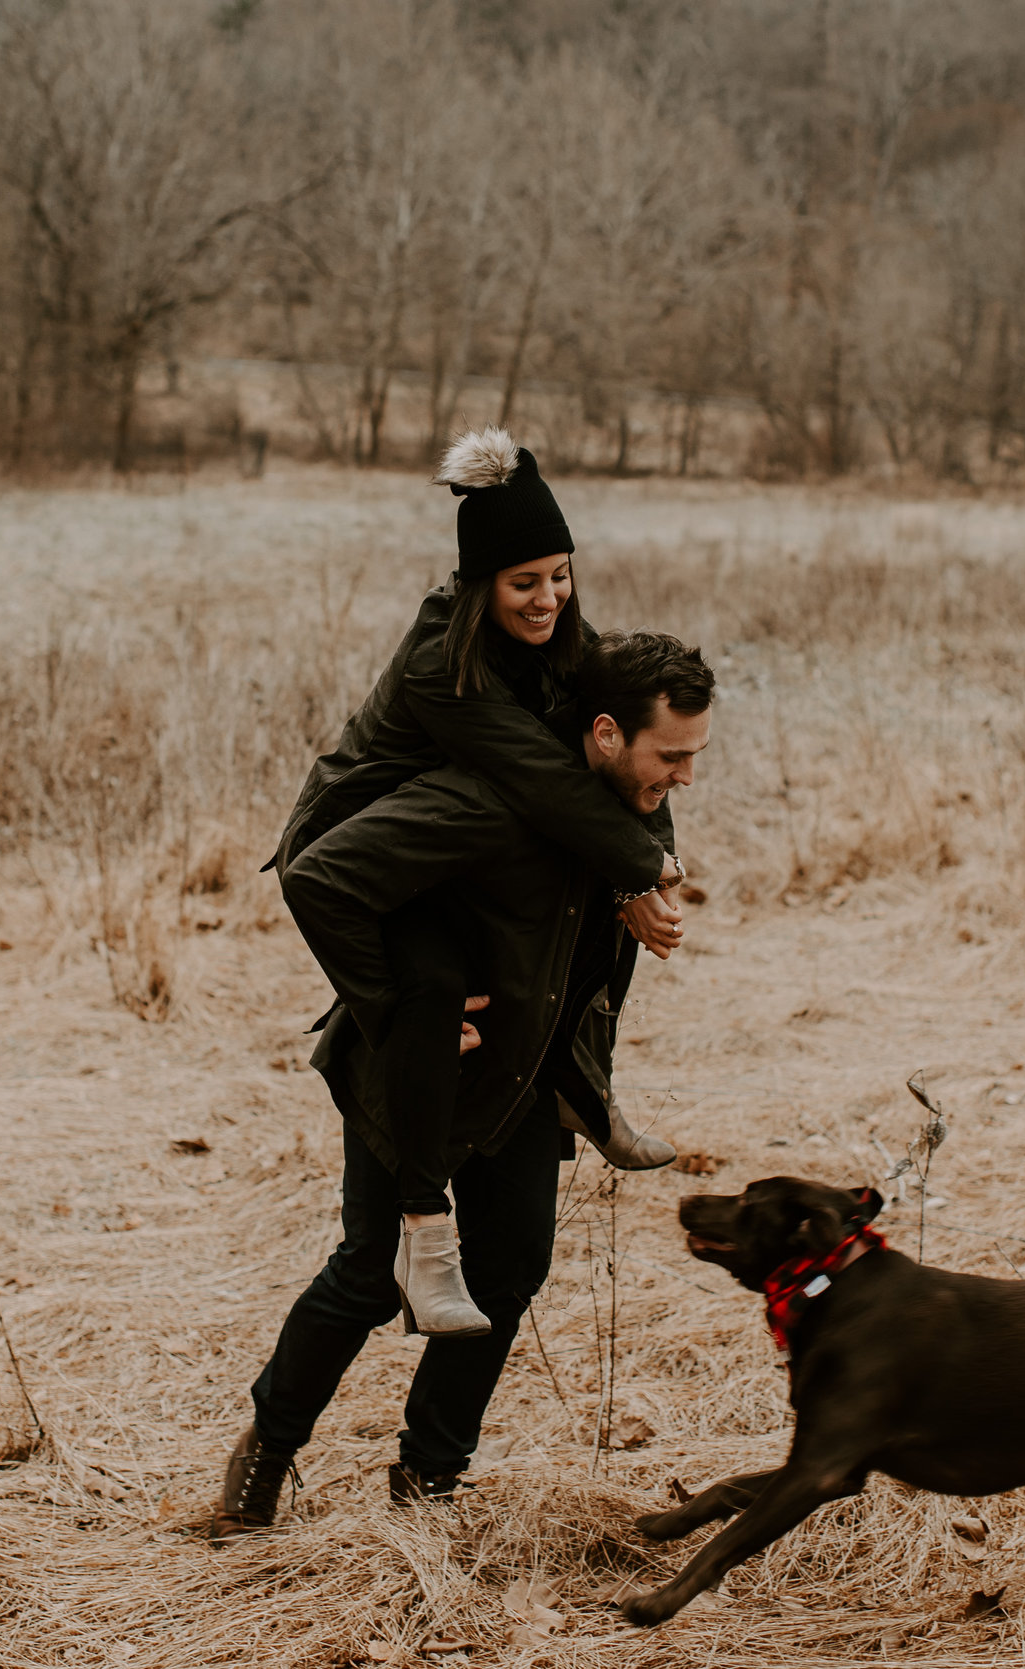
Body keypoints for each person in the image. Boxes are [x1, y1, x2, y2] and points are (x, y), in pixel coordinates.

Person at [211, 631, 717, 1533]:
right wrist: (401, 1007)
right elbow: (322, 876)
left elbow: (644, 824)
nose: (683, 777)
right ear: (604, 734)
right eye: (670, 757)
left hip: (522, 1077)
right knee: (371, 1273)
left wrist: (637, 873)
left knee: (508, 1266)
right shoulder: (486, 801)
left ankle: (430, 1476)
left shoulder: (626, 810)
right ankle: (268, 1449)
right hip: (413, 1072)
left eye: (693, 756)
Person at [268, 430, 683, 1337]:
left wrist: (649, 867)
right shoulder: (439, 665)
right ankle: (424, 1233)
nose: (548, 598)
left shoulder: (572, 646)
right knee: (427, 989)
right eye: (524, 580)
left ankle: (583, 1079)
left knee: (587, 903)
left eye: (560, 574)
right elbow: (545, 778)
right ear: (481, 584)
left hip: (454, 846)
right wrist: (641, 863)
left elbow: (622, 747)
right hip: (371, 854)